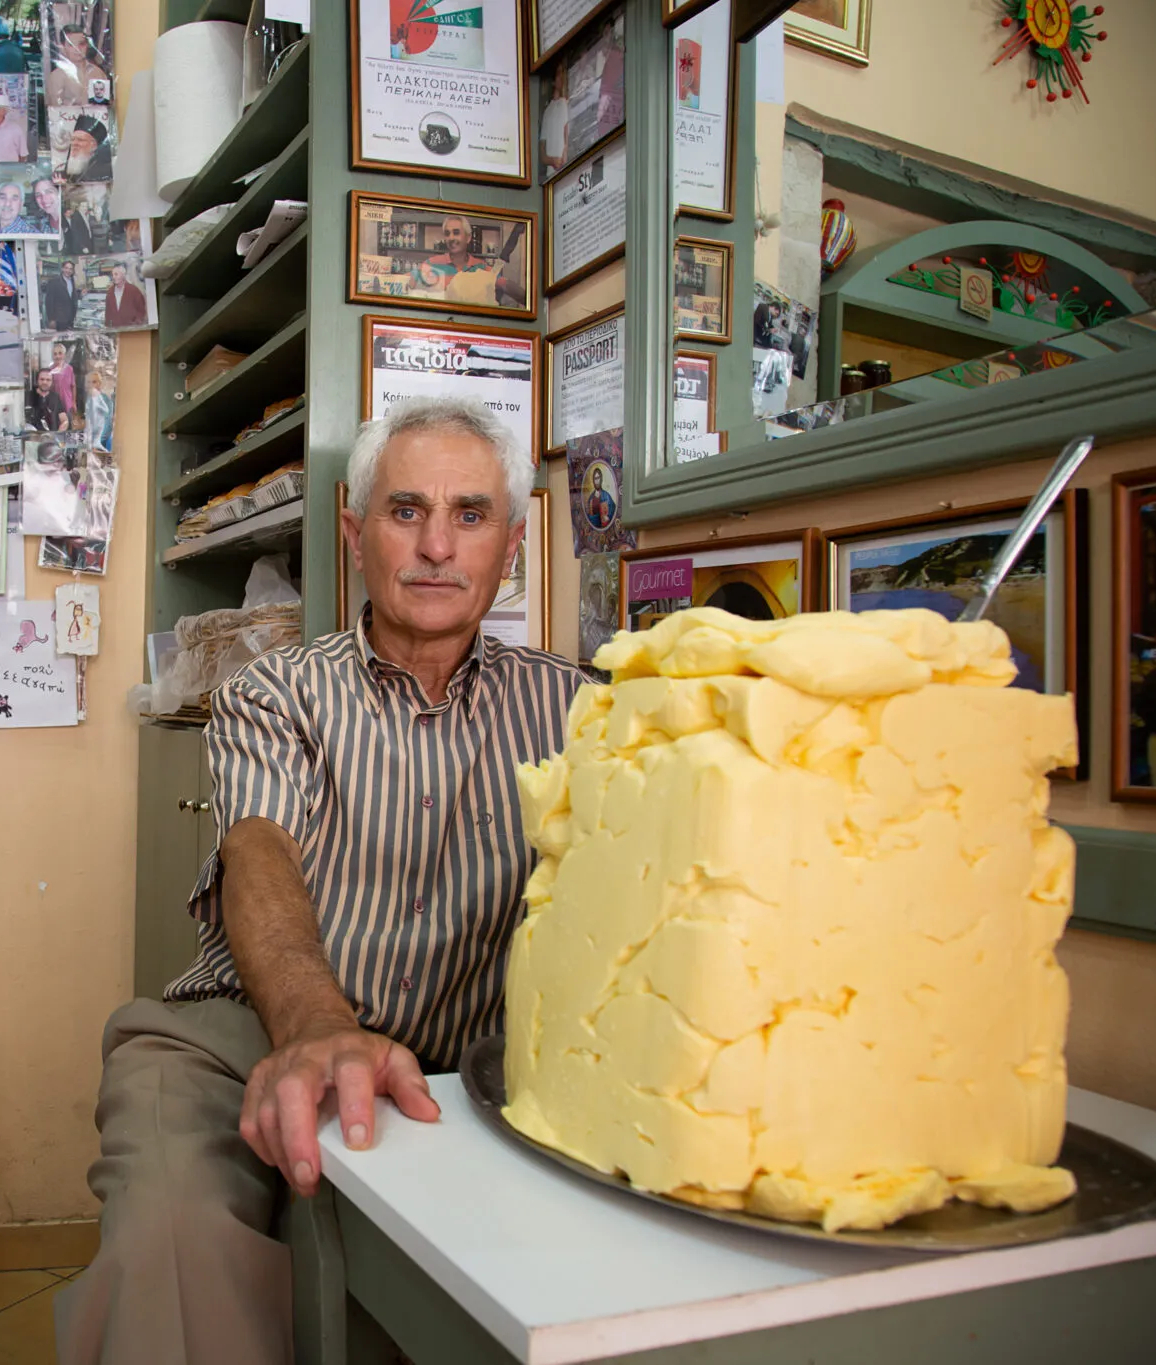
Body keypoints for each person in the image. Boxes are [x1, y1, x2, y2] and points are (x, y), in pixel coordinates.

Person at [54, 396, 586, 1363]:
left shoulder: (578, 709)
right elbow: (260, 850)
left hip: (465, 1065)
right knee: (172, 1240)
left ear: (511, 544)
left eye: (470, 515)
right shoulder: (276, 693)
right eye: (405, 510)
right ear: (353, 531)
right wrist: (316, 1027)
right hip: (242, 1031)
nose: (436, 546)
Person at [407, 213, 525, 308]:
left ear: (468, 238)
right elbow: (405, 282)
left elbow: (506, 285)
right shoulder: (431, 264)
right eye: (447, 234)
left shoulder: (482, 267)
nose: (451, 238)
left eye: (456, 233)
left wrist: (530, 302)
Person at [45, 23, 108, 106]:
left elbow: (102, 106)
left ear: (87, 45)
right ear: (63, 47)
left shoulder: (97, 73)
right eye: (71, 45)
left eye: (81, 44)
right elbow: (54, 110)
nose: (77, 49)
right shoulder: (57, 76)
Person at [59, 113, 112, 182]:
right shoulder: (59, 175)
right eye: (73, 139)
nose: (74, 143)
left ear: (94, 146)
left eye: (80, 140)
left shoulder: (104, 171)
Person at [539, 63, 569, 174]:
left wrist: (565, 152)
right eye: (559, 74)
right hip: (552, 173)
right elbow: (542, 151)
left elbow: (567, 132)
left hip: (567, 167)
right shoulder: (548, 111)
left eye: (563, 73)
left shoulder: (567, 103)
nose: (562, 77)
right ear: (553, 81)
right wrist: (552, 160)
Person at [104, 262, 147, 327]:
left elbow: (141, 310)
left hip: (131, 329)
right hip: (114, 329)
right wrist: (108, 327)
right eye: (112, 275)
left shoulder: (134, 290)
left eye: (116, 274)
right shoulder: (110, 292)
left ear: (123, 275)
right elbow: (108, 313)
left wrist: (136, 325)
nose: (113, 277)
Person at [28, 367, 68, 431]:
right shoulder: (28, 396)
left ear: (52, 382)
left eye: (48, 380)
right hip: (32, 436)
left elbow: (64, 420)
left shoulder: (55, 397)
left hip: (52, 436)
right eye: (42, 379)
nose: (45, 382)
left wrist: (58, 433)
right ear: (37, 380)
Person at [43, 258, 78, 330]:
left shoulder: (72, 281)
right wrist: (51, 319)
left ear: (72, 271)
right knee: (60, 336)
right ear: (62, 269)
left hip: (70, 318)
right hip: (59, 319)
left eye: (70, 269)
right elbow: (49, 301)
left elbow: (70, 297)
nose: (68, 271)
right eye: (66, 268)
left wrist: (80, 294)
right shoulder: (54, 282)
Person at [85, 369, 113, 450]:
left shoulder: (106, 401)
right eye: (88, 382)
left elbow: (107, 426)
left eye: (94, 382)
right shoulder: (83, 398)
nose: (90, 385)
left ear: (99, 384)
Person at [49, 340, 76, 421]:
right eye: (55, 354)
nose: (57, 356)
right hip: (55, 405)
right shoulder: (50, 370)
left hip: (67, 403)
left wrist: (74, 402)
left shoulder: (69, 369)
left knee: (69, 423)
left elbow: (73, 386)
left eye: (60, 353)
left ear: (64, 355)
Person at [586, 463, 616, 529]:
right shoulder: (591, 498)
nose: (596, 481)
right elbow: (587, 514)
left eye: (598, 478)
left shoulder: (606, 495)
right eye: (595, 479)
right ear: (593, 481)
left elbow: (613, 508)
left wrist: (608, 517)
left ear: (601, 479)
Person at [0, 92, 27, 162]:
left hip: (10, 168)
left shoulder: (15, 130)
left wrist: (16, 168)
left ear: (4, 111)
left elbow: (23, 155)